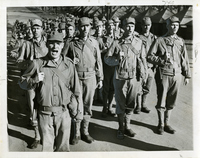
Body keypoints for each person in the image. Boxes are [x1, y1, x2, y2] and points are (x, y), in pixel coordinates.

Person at [19, 31, 82, 151]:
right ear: (47, 45)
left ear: (62, 45)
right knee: (47, 149)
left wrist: (78, 112)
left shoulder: (69, 65)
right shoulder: (37, 64)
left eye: (58, 43)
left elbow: (77, 91)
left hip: (64, 114)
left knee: (63, 150)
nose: (55, 47)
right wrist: (34, 80)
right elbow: (22, 82)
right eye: (52, 43)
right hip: (44, 115)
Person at [147, 16, 191, 135]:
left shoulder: (180, 41)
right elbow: (149, 56)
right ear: (167, 26)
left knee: (171, 100)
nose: (174, 27)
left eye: (176, 25)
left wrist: (187, 75)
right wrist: (161, 60)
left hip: (176, 75)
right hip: (163, 74)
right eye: (172, 25)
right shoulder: (160, 40)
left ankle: (167, 123)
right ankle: (160, 124)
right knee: (162, 100)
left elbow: (185, 59)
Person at [105, 17, 147, 139]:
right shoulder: (116, 43)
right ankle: (120, 128)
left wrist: (144, 73)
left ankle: (127, 126)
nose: (130, 28)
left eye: (132, 26)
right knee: (120, 104)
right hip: (120, 78)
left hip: (134, 77)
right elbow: (107, 58)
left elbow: (143, 59)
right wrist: (117, 59)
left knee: (131, 103)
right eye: (127, 26)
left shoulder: (139, 42)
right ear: (123, 27)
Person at [67, 17, 103, 144]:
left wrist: (100, 78)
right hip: (76, 78)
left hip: (90, 77)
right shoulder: (71, 43)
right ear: (78, 27)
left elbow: (98, 61)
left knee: (88, 105)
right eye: (82, 26)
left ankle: (85, 132)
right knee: (76, 105)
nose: (84, 29)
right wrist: (71, 62)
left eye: (87, 26)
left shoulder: (94, 43)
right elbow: (64, 60)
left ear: (90, 27)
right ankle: (76, 133)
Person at [17, 19, 48, 149]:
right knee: (32, 107)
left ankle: (47, 134)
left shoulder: (47, 44)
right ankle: (37, 136)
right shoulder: (26, 44)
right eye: (33, 28)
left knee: (46, 105)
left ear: (42, 29)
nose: (35, 30)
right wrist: (28, 64)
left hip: (45, 80)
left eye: (38, 28)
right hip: (31, 81)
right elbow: (19, 61)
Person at [134, 17, 157, 114]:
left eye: (148, 25)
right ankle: (138, 105)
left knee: (147, 87)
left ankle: (143, 104)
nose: (146, 27)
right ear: (141, 26)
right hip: (140, 66)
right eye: (144, 25)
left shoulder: (154, 38)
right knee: (139, 87)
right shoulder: (137, 38)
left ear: (151, 25)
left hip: (150, 66)